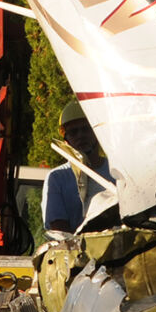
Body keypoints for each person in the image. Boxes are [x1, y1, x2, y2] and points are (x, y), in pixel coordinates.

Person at [43, 100, 116, 233]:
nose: (80, 136)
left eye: (85, 129)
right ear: (66, 140)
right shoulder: (57, 178)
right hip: (76, 251)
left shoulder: (116, 170)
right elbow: (59, 229)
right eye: (73, 132)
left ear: (96, 132)